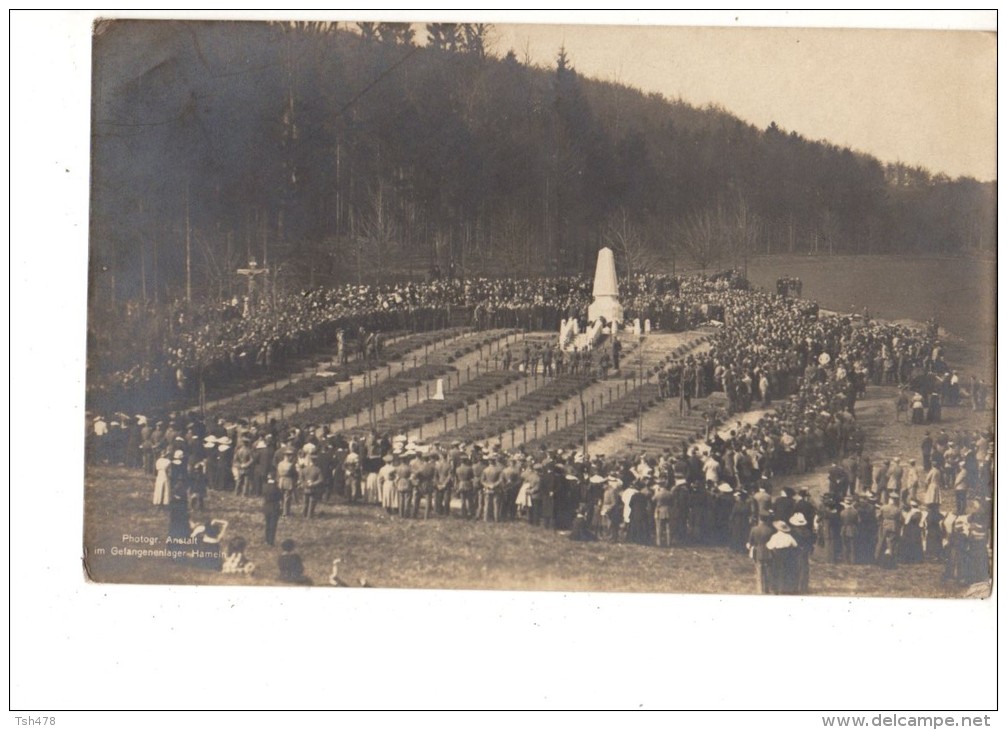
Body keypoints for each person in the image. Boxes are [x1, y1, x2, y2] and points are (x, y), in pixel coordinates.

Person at [747, 513, 775, 594]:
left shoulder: (754, 529)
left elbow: (750, 542)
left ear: (759, 519)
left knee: (759, 571)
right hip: (768, 552)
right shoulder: (771, 530)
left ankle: (760, 590)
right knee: (768, 572)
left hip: (758, 552)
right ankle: (767, 589)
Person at [300, 453, 323, 519]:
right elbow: (321, 480)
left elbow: (301, 479)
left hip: (305, 488)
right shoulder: (317, 469)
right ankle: (310, 515)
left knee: (305, 502)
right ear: (315, 461)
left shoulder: (304, 469)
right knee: (312, 502)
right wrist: (313, 483)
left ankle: (304, 514)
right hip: (314, 488)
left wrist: (305, 484)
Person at [262, 477, 282, 547]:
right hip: (274, 507)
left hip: (266, 507)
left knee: (267, 525)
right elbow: (280, 497)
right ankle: (271, 541)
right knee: (273, 525)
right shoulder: (276, 488)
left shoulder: (264, 486)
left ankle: (266, 540)